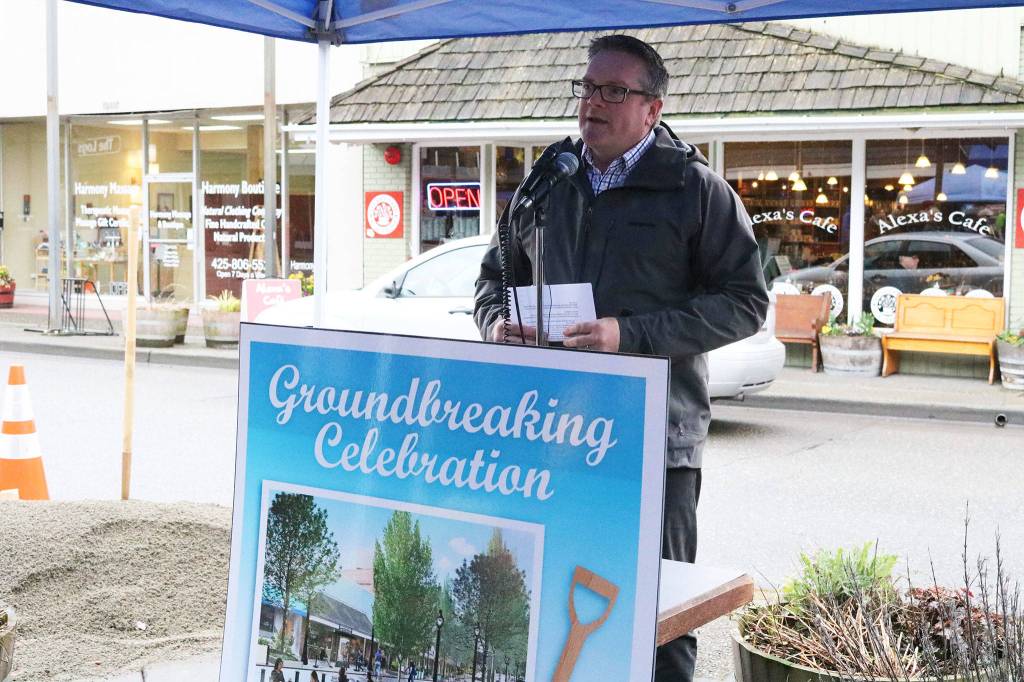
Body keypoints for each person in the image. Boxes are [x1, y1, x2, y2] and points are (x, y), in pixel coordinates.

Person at [474, 34, 768, 682]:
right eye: (587, 87)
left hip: (656, 438)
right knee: (555, 595)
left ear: (651, 109)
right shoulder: (548, 181)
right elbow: (494, 275)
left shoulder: (695, 190)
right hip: (556, 432)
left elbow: (746, 302)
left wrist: (628, 334)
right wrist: (500, 324)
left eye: (614, 90)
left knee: (663, 615)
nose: (593, 103)